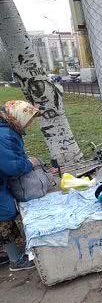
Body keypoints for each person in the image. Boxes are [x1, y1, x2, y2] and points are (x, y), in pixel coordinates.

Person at [0, 101, 40, 271]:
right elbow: (14, 166)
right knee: (5, 212)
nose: (30, 124)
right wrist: (30, 163)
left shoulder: (6, 129)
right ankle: (15, 260)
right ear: (18, 116)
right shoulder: (4, 134)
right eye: (28, 120)